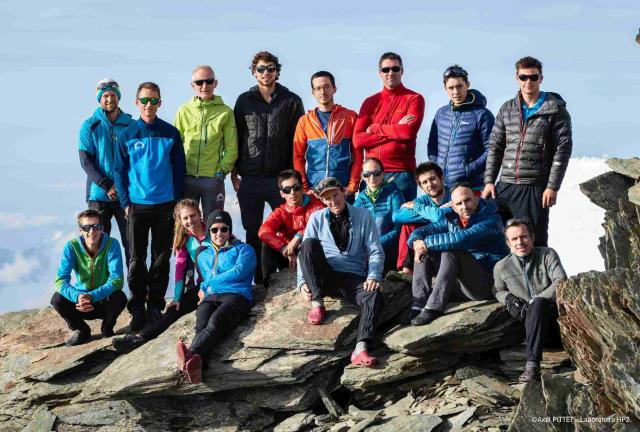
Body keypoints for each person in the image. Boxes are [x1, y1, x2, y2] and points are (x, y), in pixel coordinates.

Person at [114, 81, 186, 331]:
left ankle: (155, 305)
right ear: (136, 103)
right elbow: (119, 172)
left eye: (153, 100)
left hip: (165, 205)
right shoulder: (127, 135)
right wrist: (124, 203)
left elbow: (179, 170)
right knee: (136, 259)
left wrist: (176, 202)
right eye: (144, 100)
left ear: (160, 103)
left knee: (161, 259)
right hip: (136, 206)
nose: (148, 105)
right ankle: (137, 308)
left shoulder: (171, 133)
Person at [482, 56, 573, 247]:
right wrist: (490, 181)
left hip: (534, 186)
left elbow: (562, 150)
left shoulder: (556, 110)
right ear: (516, 78)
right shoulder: (507, 109)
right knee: (499, 238)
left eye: (533, 77)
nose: (528, 82)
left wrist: (552, 187)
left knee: (533, 240)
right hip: (505, 185)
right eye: (523, 77)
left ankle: (539, 277)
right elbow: (495, 146)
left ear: (541, 78)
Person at [231, 51, 305, 284]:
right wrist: (234, 173)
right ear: (254, 72)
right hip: (250, 177)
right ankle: (259, 280)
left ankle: (287, 276)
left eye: (270, 68)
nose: (266, 73)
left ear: (277, 71)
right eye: (261, 69)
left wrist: (295, 177)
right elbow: (236, 138)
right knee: (253, 231)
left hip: (279, 178)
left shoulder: (292, 100)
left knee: (286, 228)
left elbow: (298, 140)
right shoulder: (244, 100)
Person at [297, 177, 384, 367]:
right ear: (322, 200)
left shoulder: (363, 215)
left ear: (343, 192)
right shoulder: (316, 218)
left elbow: (375, 249)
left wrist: (374, 275)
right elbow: (304, 254)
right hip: (325, 275)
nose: (333, 201)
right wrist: (302, 282)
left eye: (335, 195)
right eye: (327, 198)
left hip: (353, 278)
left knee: (374, 295)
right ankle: (317, 303)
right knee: (308, 243)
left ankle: (360, 349)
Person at [112, 199, 211, 353]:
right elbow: (180, 269)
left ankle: (195, 351)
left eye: (193, 216)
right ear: (180, 220)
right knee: (174, 310)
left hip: (218, 285)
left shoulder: (215, 231)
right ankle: (141, 338)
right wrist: (177, 297)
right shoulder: (184, 239)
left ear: (200, 214)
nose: (190, 221)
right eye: (185, 218)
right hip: (202, 286)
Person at [408, 183, 509, 326]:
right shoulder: (453, 219)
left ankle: (434, 308)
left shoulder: (492, 220)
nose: (464, 206)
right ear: (453, 207)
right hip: (462, 283)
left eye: (467, 200)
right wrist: (416, 241)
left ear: (476, 198)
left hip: (486, 283)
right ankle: (418, 304)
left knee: (451, 250)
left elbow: (462, 239)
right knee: (424, 252)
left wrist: (425, 244)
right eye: (459, 203)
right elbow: (421, 232)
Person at [176, 210, 256, 384]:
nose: (219, 233)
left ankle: (188, 356)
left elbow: (239, 272)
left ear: (230, 230)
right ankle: (196, 366)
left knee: (215, 322)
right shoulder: (203, 255)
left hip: (237, 295)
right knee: (201, 325)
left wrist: (205, 285)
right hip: (211, 297)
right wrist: (206, 288)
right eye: (214, 229)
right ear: (208, 232)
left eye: (224, 229)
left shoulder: (244, 250)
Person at [493, 218, 567, 382]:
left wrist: (537, 300)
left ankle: (532, 365)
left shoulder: (547, 255)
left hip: (553, 324)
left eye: (523, 236)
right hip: (527, 326)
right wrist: (508, 298)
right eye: (514, 239)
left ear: (532, 237)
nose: (520, 242)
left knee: (539, 304)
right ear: (508, 243)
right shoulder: (501, 266)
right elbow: (497, 290)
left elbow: (560, 281)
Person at [353, 52, 425, 202]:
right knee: (371, 223)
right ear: (380, 73)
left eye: (395, 69)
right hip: (372, 174)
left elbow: (407, 133)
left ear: (402, 70)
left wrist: (374, 128)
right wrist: (396, 129)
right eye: (385, 69)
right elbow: (358, 141)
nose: (390, 73)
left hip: (401, 174)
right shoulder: (370, 102)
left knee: (402, 222)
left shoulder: (414, 99)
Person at [51, 209, 127, 346]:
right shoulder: (72, 246)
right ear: (80, 230)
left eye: (96, 226)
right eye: (86, 227)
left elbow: (117, 280)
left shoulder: (112, 244)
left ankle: (107, 328)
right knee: (57, 299)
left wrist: (93, 296)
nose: (92, 231)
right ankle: (82, 330)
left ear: (102, 228)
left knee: (120, 297)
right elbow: (60, 280)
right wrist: (77, 297)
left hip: (103, 300)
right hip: (80, 302)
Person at [78, 78, 134, 263]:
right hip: (98, 196)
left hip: (125, 195)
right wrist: (107, 186)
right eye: (105, 96)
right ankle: (99, 291)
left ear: (118, 97)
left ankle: (137, 290)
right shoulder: (90, 125)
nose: (109, 99)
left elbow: (135, 160)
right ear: (100, 100)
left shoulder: (130, 125)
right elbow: (86, 161)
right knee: (97, 244)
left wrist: (122, 186)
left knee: (132, 243)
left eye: (112, 95)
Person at [174, 65, 237, 216]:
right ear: (192, 85)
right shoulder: (184, 110)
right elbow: (175, 145)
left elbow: (231, 147)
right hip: (187, 178)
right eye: (199, 82)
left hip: (212, 179)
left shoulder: (226, 112)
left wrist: (221, 172)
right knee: (185, 225)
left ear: (215, 83)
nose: (204, 86)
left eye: (209, 81)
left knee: (214, 222)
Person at [293, 71, 362, 203]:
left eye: (326, 87)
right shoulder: (305, 121)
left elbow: (358, 155)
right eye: (318, 88)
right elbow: (298, 157)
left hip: (342, 188)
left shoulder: (350, 117)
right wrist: (305, 188)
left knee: (346, 224)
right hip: (315, 189)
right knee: (316, 223)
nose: (322, 92)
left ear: (334, 88)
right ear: (313, 92)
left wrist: (352, 186)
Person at [427, 65, 494, 192]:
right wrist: (437, 168)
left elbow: (492, 151)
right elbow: (432, 146)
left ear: (467, 84)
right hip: (444, 187)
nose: (456, 92)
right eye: (451, 88)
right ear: (445, 88)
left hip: (472, 186)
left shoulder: (482, 114)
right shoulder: (441, 114)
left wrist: (467, 170)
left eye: (459, 86)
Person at [386, 162, 452, 283]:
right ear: (421, 187)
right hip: (426, 245)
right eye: (425, 182)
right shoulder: (422, 200)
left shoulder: (454, 195)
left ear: (441, 178)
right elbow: (397, 216)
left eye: (433, 179)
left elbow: (437, 216)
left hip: (449, 245)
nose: (430, 184)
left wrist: (419, 209)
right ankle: (406, 271)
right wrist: (431, 215)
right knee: (408, 225)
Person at [258, 169, 324, 286]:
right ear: (282, 193)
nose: (292, 193)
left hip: (310, 252)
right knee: (266, 243)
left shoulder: (316, 204)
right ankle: (267, 284)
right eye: (287, 190)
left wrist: (298, 236)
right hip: (289, 256)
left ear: (302, 188)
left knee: (311, 242)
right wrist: (284, 248)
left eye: (296, 187)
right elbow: (263, 231)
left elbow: (319, 225)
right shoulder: (280, 212)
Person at [353, 157, 403, 273]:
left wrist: (378, 243)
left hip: (389, 249)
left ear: (383, 174)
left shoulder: (394, 195)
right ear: (362, 176)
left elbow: (399, 228)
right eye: (367, 174)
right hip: (367, 253)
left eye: (376, 173)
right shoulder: (359, 201)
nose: (372, 178)